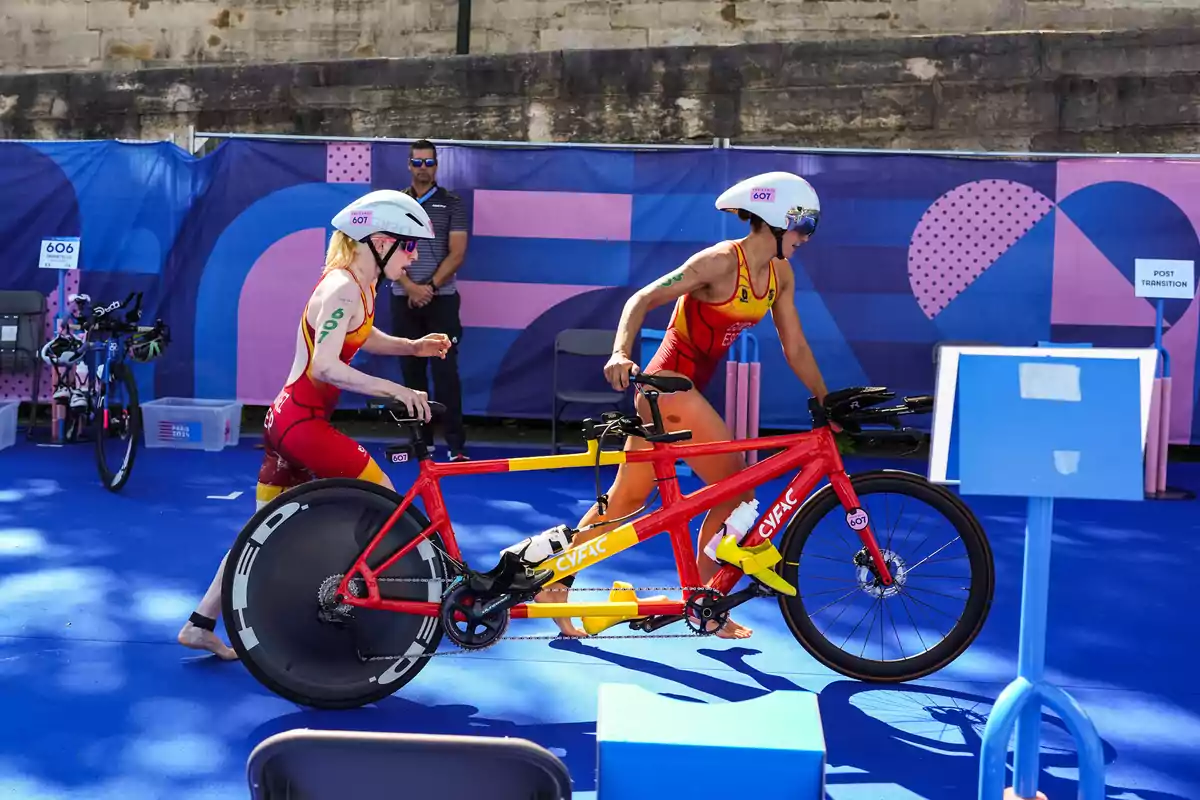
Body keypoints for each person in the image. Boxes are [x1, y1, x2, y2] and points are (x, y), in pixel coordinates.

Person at [536, 171, 831, 640]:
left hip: (675, 394)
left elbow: (794, 346)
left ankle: (554, 582)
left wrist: (825, 399)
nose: (806, 239)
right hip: (667, 390)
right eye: (805, 226)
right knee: (738, 488)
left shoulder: (781, 274)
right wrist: (619, 353)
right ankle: (707, 602)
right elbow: (642, 298)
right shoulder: (718, 262)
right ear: (777, 220)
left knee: (625, 500)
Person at [177, 189, 453, 660]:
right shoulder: (343, 287)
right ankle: (363, 594)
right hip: (299, 423)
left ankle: (200, 624)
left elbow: (362, 334)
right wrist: (397, 390)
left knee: (257, 534)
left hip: (289, 421)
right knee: (381, 494)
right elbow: (325, 366)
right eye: (409, 245)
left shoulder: (358, 286)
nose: (413, 258)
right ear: (379, 240)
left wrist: (411, 347)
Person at [388, 139, 471, 461]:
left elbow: (458, 252)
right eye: (418, 162)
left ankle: (456, 445)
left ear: (437, 166)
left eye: (429, 163)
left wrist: (429, 288)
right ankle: (420, 444)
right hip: (403, 297)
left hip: (442, 300)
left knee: (446, 372)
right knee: (411, 373)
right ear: (409, 165)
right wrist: (409, 286)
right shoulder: (395, 204)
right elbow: (386, 251)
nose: (424, 168)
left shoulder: (452, 203)